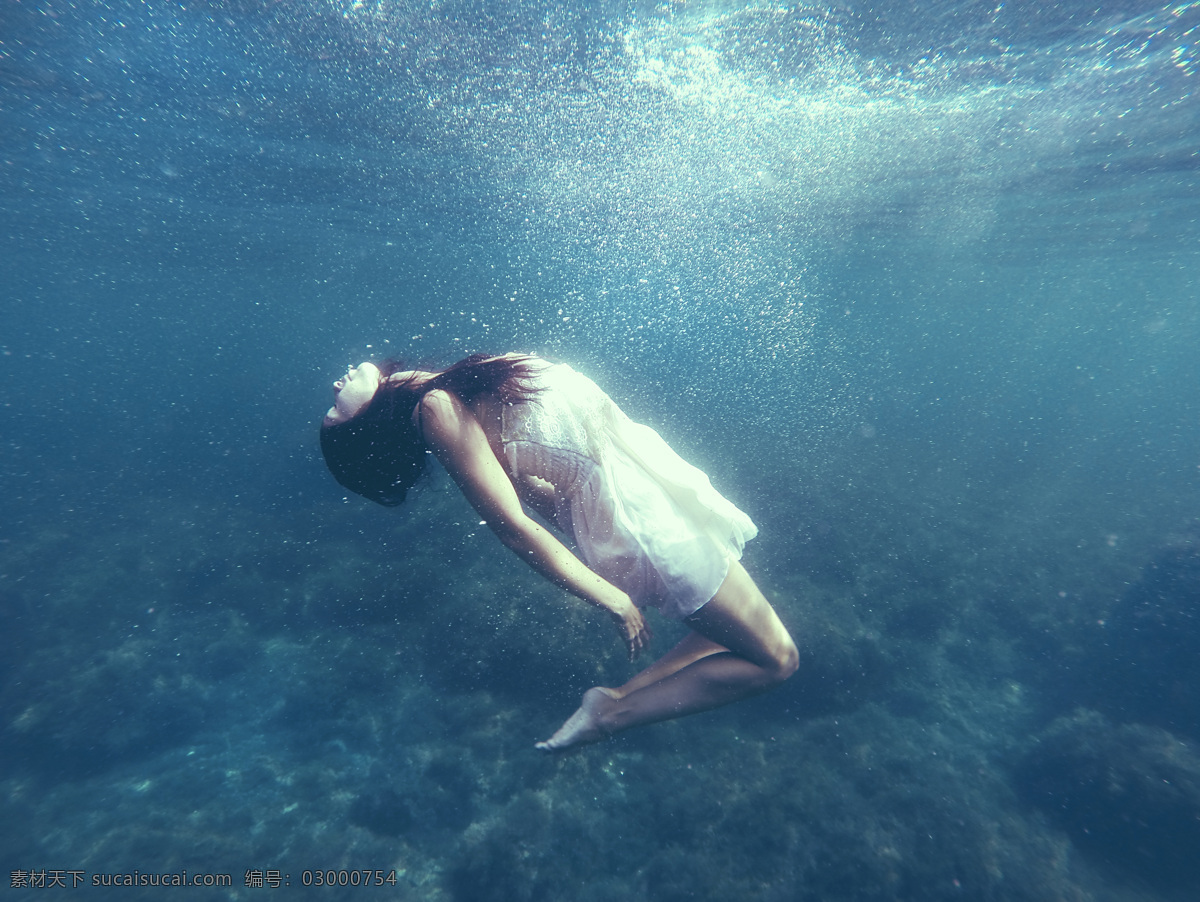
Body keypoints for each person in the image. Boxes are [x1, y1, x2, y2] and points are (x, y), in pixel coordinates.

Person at [320, 352, 798, 750]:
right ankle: (614, 715)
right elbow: (512, 526)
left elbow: (528, 478)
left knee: (727, 634)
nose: (335, 386)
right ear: (365, 426)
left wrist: (588, 525)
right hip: (642, 521)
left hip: (642, 488)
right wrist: (611, 595)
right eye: (334, 412)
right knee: (776, 660)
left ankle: (614, 699)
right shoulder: (435, 409)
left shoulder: (431, 392)